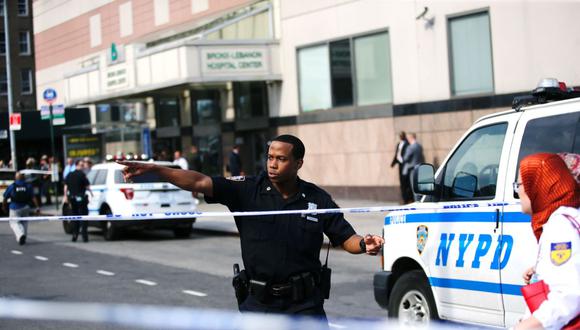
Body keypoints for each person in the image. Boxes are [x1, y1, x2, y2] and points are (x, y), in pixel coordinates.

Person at [119, 134, 384, 323]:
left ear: (298, 163)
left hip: (305, 306)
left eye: (281, 158)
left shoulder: (317, 199)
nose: (272, 163)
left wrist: (364, 244)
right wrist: (157, 170)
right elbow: (199, 182)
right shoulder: (247, 190)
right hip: (260, 304)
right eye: (270, 157)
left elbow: (345, 237)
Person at [514, 153, 579, 330]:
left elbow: (567, 295)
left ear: (538, 185)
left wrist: (527, 326)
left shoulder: (560, 225)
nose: (518, 191)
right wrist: (542, 268)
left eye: (520, 184)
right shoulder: (567, 217)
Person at [2, 172, 39, 245]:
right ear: (23, 178)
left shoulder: (12, 186)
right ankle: (24, 236)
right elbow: (33, 197)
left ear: (15, 178)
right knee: (24, 222)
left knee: (14, 223)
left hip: (15, 207)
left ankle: (20, 235)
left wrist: (4, 206)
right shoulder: (28, 186)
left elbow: (5, 197)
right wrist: (37, 207)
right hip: (25, 207)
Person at [63, 159, 92, 243]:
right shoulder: (82, 175)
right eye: (82, 165)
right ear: (77, 165)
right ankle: (84, 236)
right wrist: (92, 194)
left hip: (72, 199)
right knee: (84, 217)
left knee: (75, 217)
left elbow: (65, 186)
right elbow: (87, 186)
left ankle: (75, 235)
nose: (83, 166)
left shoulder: (69, 174)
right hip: (81, 199)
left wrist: (65, 196)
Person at [402, 132, 424, 203]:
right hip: (420, 168)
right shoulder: (419, 146)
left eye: (408, 138)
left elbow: (405, 158)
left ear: (411, 138)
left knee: (414, 188)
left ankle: (417, 202)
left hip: (413, 170)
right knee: (419, 187)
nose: (407, 140)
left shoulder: (410, 147)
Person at [390, 131, 409, 204]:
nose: (400, 137)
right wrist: (393, 163)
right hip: (400, 165)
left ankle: (407, 199)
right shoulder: (399, 144)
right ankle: (404, 198)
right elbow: (396, 155)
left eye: (401, 135)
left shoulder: (407, 144)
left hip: (405, 164)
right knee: (402, 182)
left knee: (405, 182)